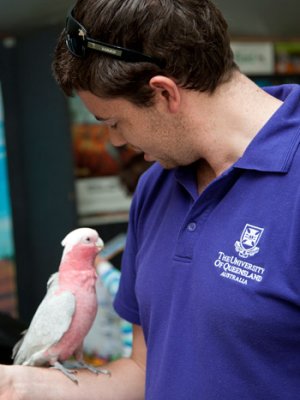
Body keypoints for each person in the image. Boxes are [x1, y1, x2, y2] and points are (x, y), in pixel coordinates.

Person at [1, 0, 300, 399]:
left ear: (164, 93)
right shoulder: (155, 186)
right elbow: (145, 369)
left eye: (113, 122)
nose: (115, 142)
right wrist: (17, 385)